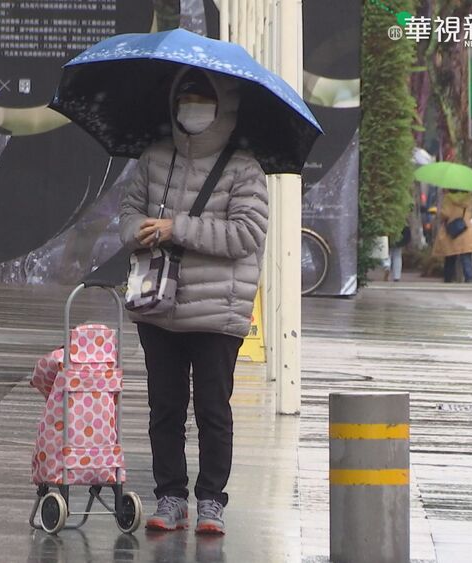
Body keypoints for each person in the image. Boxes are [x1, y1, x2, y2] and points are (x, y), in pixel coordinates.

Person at [119, 68, 268, 535]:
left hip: (217, 310)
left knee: (212, 408)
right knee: (164, 407)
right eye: (186, 97)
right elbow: (128, 212)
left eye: (203, 98)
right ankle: (170, 496)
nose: (193, 106)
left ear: (223, 105)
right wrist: (136, 231)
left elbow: (247, 233)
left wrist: (176, 227)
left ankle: (211, 500)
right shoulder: (153, 158)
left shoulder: (244, 168)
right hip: (158, 304)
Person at [432, 189, 472, 283]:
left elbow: (445, 214)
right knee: (466, 256)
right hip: (466, 229)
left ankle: (448, 278)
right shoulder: (469, 198)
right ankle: (469, 278)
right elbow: (470, 213)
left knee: (450, 256)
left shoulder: (448, 198)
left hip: (451, 230)